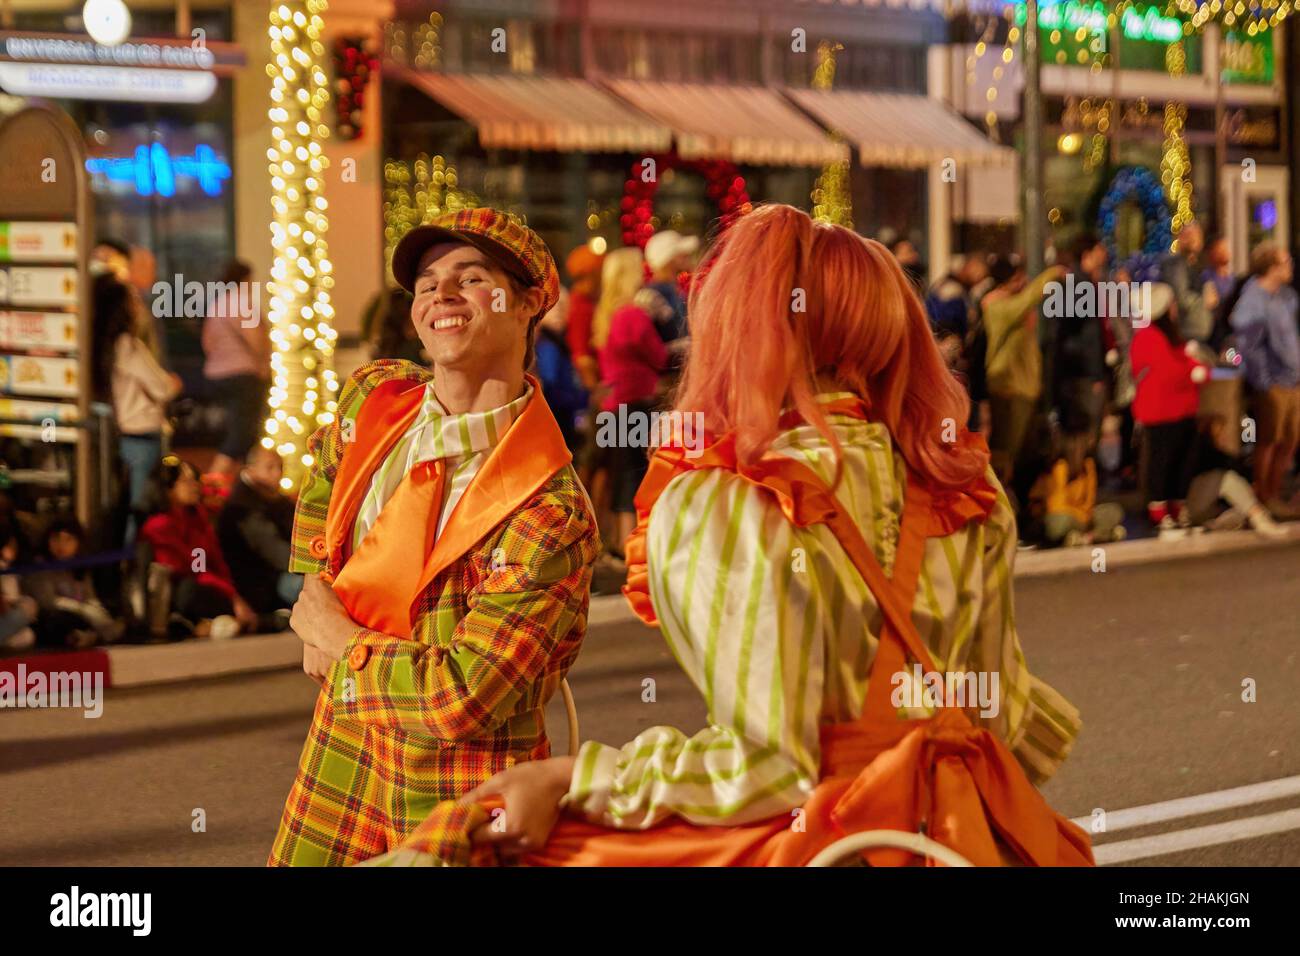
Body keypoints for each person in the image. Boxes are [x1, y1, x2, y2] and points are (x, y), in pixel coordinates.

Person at [366, 203, 1091, 869]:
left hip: (836, 845)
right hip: (969, 836)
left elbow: (766, 767)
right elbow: (1001, 714)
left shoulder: (729, 501)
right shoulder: (964, 486)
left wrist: (570, 777)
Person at [268, 208, 600, 866]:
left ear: (529, 301)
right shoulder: (373, 398)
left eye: (470, 278)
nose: (440, 295)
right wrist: (316, 585)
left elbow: (459, 699)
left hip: (458, 787)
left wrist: (338, 642)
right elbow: (321, 479)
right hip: (342, 744)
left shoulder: (549, 510)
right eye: (426, 283)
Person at [90, 273, 183, 546]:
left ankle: (125, 565)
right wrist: (173, 382)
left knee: (128, 505)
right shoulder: (128, 346)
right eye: (133, 299)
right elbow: (163, 387)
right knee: (141, 511)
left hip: (123, 436)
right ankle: (133, 570)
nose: (139, 304)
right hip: (142, 435)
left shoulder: (104, 346)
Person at [597, 247, 670, 556]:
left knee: (620, 474)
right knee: (636, 476)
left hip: (612, 404)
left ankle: (617, 543)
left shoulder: (606, 313)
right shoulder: (633, 314)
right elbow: (660, 356)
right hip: (636, 402)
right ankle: (632, 548)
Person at [139, 457, 259, 638]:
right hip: (175, 594)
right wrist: (232, 598)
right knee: (190, 590)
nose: (195, 486)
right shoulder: (158, 526)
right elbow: (189, 570)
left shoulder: (196, 519)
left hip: (203, 585)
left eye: (195, 479)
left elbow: (209, 563)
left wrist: (232, 593)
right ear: (167, 488)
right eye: (186, 481)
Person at [1130, 284, 1209, 536]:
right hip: (1161, 412)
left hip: (1181, 410)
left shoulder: (1170, 336)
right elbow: (1169, 371)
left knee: (1180, 462)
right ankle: (1159, 511)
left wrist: (1196, 368)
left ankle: (1176, 507)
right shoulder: (1148, 337)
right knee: (1161, 463)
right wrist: (1194, 371)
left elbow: (1185, 364)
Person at [982, 255, 1064, 490]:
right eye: (1019, 277)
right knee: (1006, 452)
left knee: (1025, 454)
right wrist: (1051, 275)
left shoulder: (1011, 303)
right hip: (1009, 389)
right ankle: (1000, 504)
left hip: (1024, 389)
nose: (1024, 281)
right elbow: (1026, 301)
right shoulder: (995, 305)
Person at [1230, 243, 1300, 514]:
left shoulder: (1285, 297)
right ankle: (1263, 496)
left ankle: (1274, 492)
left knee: (1290, 439)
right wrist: (1264, 379)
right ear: (1272, 268)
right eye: (1285, 263)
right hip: (1273, 382)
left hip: (1292, 379)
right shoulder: (1253, 300)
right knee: (1269, 439)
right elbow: (1248, 345)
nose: (1290, 267)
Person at [216, 445, 302, 625]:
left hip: (278, 573)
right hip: (262, 581)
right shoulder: (243, 506)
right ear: (251, 469)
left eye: (280, 467)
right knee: (309, 587)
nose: (278, 473)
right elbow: (275, 552)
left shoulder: (274, 498)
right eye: (270, 467)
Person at [202, 259, 271, 478]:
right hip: (243, 374)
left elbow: (207, 342)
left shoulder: (218, 303)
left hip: (217, 374)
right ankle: (214, 478)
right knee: (244, 431)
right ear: (245, 280)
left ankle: (238, 479)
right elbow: (256, 341)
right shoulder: (243, 303)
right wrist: (264, 363)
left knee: (238, 429)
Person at [21, 516, 125, 648]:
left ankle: (92, 635)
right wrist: (83, 609)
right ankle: (88, 636)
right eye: (56, 538)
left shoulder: (79, 565)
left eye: (68, 539)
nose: (61, 545)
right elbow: (48, 602)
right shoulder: (41, 565)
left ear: (78, 543)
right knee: (58, 620)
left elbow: (89, 596)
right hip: (56, 615)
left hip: (80, 612)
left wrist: (97, 611)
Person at [1184, 415, 1286, 538]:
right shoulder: (1205, 455)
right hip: (1190, 508)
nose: (1225, 436)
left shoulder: (1216, 455)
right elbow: (1230, 469)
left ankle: (1216, 523)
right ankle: (1260, 520)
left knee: (1239, 509)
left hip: (1209, 508)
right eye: (1221, 432)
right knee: (1227, 479)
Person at [1029, 418, 1125, 548]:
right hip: (1059, 517)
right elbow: (1056, 506)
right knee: (1060, 522)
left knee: (1113, 511)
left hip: (1081, 518)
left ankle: (1085, 538)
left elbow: (1090, 501)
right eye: (1088, 437)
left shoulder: (1088, 465)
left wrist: (1085, 516)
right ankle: (1103, 535)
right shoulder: (1059, 466)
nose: (1092, 440)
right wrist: (1081, 517)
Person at [1052, 234, 1110, 444]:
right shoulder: (1079, 285)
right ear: (1088, 255)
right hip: (1081, 375)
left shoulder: (1081, 282)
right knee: (1083, 436)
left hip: (1077, 372)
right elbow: (1084, 334)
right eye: (1099, 250)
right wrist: (1094, 374)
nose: (1104, 254)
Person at [533, 288, 588, 453]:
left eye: (563, 307)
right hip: (557, 417)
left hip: (565, 416)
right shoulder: (548, 345)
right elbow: (551, 385)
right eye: (554, 307)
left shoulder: (559, 343)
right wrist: (579, 398)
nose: (559, 313)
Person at [638, 229, 697, 346]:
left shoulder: (675, 291)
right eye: (681, 253)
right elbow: (646, 346)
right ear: (668, 259)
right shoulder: (650, 296)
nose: (687, 256)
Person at [1160, 221, 1212, 343]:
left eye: (1197, 235)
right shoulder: (1176, 264)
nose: (1193, 238)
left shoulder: (1199, 264)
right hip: (1187, 331)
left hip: (1202, 331)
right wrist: (1203, 300)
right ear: (1180, 238)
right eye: (1188, 235)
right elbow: (1181, 298)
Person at [563, 245, 604, 393]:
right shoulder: (581, 305)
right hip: (592, 385)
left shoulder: (585, 301)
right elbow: (582, 356)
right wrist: (596, 391)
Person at [925, 254, 988, 341]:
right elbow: (948, 321)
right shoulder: (953, 289)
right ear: (963, 269)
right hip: (947, 340)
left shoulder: (944, 285)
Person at [0, 521, 37, 651]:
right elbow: (7, 603)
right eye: (11, 546)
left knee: (27, 636)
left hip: (7, 618)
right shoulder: (4, 569)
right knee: (29, 605)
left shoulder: (9, 569)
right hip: (5, 615)